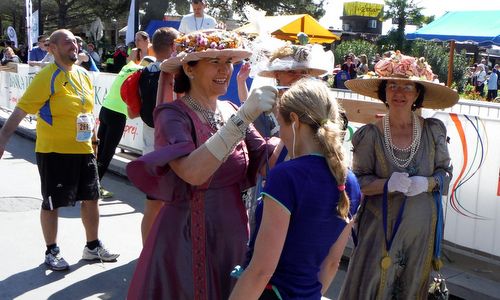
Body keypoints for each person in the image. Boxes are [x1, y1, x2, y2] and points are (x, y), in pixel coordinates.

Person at [125, 30, 279, 299]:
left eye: (228, 61)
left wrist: (294, 126)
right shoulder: (172, 115)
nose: (224, 70)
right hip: (187, 237)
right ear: (189, 68)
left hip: (231, 234)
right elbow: (192, 173)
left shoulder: (230, 109)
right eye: (214, 62)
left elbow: (267, 162)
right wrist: (243, 118)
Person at [338, 51, 457, 299]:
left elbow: (446, 174)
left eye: (407, 87)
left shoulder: (433, 131)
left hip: (420, 233)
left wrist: (428, 183)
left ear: (417, 95)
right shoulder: (369, 135)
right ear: (384, 91)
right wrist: (386, 184)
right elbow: (356, 182)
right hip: (379, 234)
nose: (399, 92)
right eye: (392, 85)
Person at [229, 78, 361, 299]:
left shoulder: (286, 176)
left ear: (294, 121)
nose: (280, 134)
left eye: (280, 125)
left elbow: (261, 271)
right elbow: (331, 263)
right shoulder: (351, 183)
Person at [0, 29, 119, 271]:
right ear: (52, 48)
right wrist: (2, 140)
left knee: (92, 198)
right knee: (52, 203)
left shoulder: (84, 75)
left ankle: (92, 246)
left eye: (75, 41)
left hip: (84, 149)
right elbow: (21, 110)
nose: (74, 45)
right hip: (54, 151)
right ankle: (51, 250)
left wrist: (94, 143)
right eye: (67, 42)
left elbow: (87, 114)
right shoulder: (46, 77)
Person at [134, 27, 179, 244]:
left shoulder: (144, 71)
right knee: (174, 204)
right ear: (173, 46)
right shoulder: (176, 72)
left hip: (150, 143)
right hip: (172, 146)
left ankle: (146, 253)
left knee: (152, 203)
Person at [96, 59, 148, 199]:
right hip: (118, 114)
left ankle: (87, 182)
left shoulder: (128, 66)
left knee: (99, 149)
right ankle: (95, 186)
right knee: (107, 152)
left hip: (105, 108)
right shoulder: (143, 74)